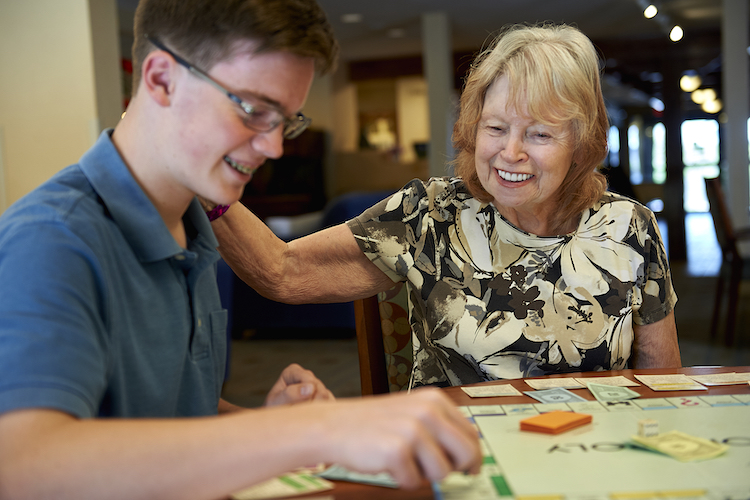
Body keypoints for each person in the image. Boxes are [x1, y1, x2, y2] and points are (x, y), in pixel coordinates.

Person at [0, 0, 481, 498]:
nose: (274, 148)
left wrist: (261, 428)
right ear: (162, 79)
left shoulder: (193, 223)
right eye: (253, 109)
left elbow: (170, 416)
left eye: (286, 121)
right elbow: (22, 464)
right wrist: (306, 432)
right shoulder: (54, 240)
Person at [211, 23, 682, 389]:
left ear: (580, 145)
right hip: (459, 460)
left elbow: (662, 383)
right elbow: (284, 271)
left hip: (589, 462)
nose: (510, 153)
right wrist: (202, 180)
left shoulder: (628, 227)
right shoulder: (430, 216)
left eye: (539, 134)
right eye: (495, 128)